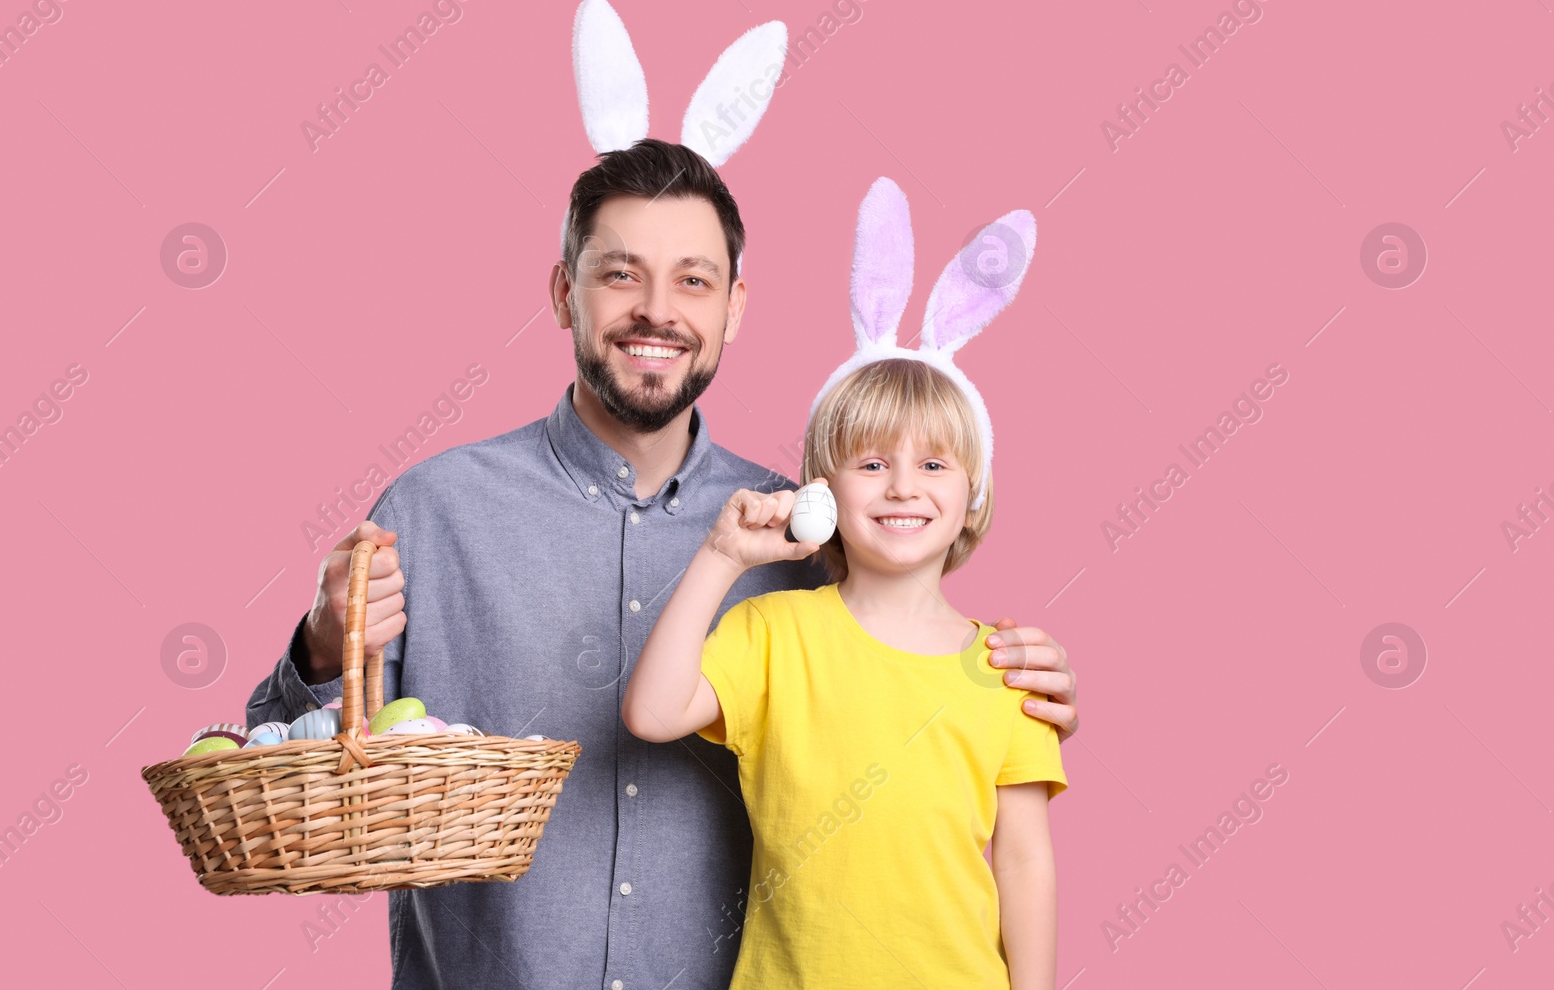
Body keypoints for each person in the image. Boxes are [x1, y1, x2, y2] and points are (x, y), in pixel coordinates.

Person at [246, 143, 1080, 989]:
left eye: (693, 279)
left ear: (734, 307)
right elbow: (289, 760)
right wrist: (322, 646)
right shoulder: (434, 509)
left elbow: (909, 734)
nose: (656, 311)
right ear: (564, 292)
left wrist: (1012, 681)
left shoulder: (805, 533)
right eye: (620, 275)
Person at [621, 178, 1061, 988]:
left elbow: (1025, 859)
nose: (901, 487)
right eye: (870, 463)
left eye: (933, 463)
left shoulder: (1004, 666)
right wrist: (719, 556)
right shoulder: (772, 634)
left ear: (974, 495)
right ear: (823, 491)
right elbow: (650, 712)